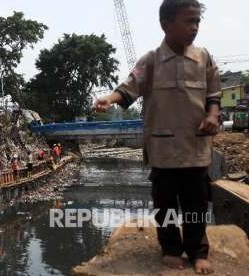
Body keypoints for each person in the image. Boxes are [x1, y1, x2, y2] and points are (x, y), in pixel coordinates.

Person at [94, 1, 220, 274]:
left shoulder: (204, 58)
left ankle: (198, 251)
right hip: (163, 150)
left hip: (195, 149)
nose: (195, 27)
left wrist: (212, 115)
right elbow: (129, 88)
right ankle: (171, 248)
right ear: (166, 24)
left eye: (197, 21)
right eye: (188, 21)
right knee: (165, 205)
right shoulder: (151, 60)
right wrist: (109, 98)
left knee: (196, 204)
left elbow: (213, 95)